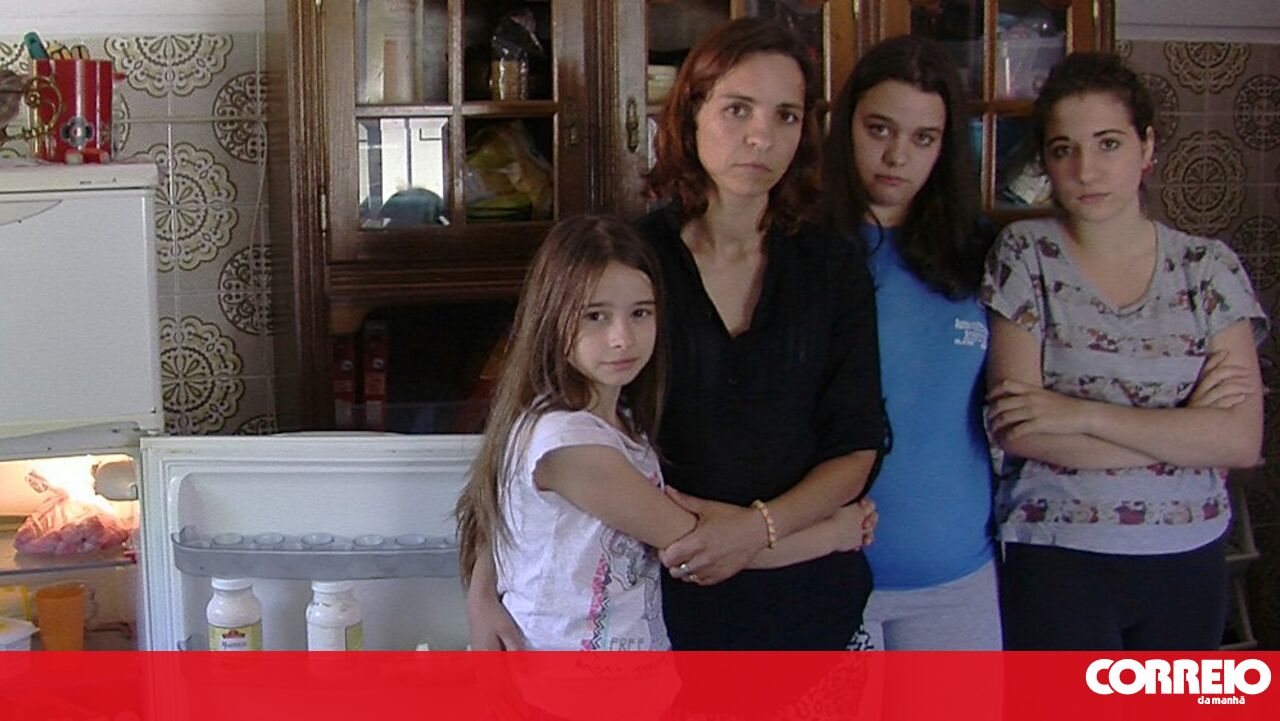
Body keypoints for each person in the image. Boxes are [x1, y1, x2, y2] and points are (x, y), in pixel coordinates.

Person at [454, 214, 874, 651]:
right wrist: (834, 534)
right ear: (551, 318)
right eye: (595, 316)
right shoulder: (571, 447)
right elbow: (699, 549)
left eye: (640, 313)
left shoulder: (622, 419)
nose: (622, 338)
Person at [982, 52, 1268, 650]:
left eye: (1108, 143)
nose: (1086, 170)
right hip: (1056, 554)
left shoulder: (1207, 268)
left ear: (1147, 146)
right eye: (1064, 149)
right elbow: (1021, 430)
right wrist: (1184, 431)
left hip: (1187, 555)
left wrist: (1080, 413)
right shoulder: (1025, 254)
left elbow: (1239, 440)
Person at [638, 17, 886, 650]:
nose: (761, 136)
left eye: (786, 116)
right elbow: (565, 432)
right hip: (658, 600)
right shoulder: (632, 259)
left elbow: (857, 444)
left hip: (810, 609)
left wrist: (757, 531)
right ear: (691, 113)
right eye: (737, 109)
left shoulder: (831, 265)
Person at [821, 35, 1001, 651]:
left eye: (924, 138)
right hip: (824, 573)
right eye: (879, 129)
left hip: (958, 578)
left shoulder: (981, 254)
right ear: (846, 125)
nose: (897, 155)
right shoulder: (800, 248)